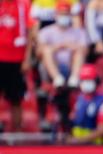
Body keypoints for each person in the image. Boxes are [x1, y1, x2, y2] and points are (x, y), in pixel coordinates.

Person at [36, 0, 87, 133]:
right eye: (61, 13)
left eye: (66, 14)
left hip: (71, 68)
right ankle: (57, 78)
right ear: (56, 15)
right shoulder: (46, 32)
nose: (64, 16)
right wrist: (56, 47)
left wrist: (71, 47)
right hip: (51, 70)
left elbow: (85, 51)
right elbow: (39, 53)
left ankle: (74, 79)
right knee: (47, 51)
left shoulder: (78, 32)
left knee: (78, 52)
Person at [0, 0, 33, 133]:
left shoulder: (23, 5)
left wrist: (27, 58)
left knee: (16, 98)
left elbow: (30, 31)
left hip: (17, 59)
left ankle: (17, 131)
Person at [68, 64, 103, 144]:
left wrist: (79, 140)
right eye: (84, 80)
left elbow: (102, 130)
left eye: (89, 80)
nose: (86, 83)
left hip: (99, 147)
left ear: (96, 81)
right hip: (81, 147)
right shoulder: (79, 99)